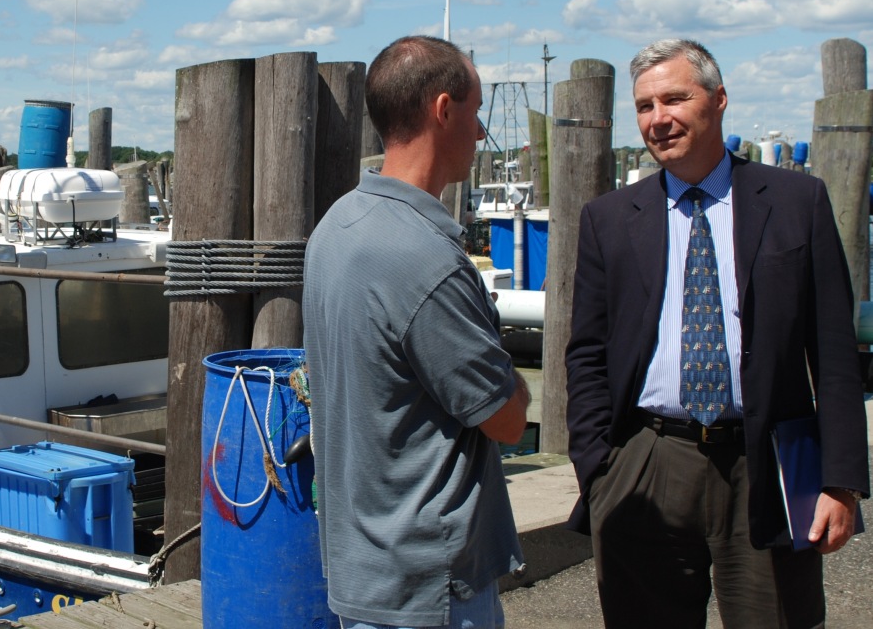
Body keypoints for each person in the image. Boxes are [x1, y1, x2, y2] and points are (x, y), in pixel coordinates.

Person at [565, 38, 870, 627]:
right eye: (645, 106)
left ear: (720, 99)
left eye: (675, 98)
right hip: (648, 460)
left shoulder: (796, 202)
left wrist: (842, 481)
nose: (659, 119)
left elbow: (833, 352)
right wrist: (598, 469)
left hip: (768, 462)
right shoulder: (607, 219)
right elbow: (587, 355)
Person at [303, 35, 531, 629]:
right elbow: (505, 420)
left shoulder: (337, 225)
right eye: (476, 111)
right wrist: (509, 372)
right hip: (429, 587)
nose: (480, 133)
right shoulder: (425, 257)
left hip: (362, 570)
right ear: (444, 109)